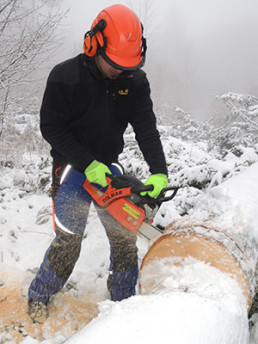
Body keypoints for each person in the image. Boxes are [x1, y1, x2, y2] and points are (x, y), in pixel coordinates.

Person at [28, 4, 168, 323]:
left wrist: (159, 171)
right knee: (69, 241)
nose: (119, 70)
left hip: (108, 169)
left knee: (124, 236)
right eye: (113, 63)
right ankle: (39, 294)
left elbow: (145, 127)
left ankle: (123, 304)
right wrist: (85, 161)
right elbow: (51, 127)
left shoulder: (134, 81)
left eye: (126, 65)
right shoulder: (64, 78)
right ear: (93, 46)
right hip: (71, 170)